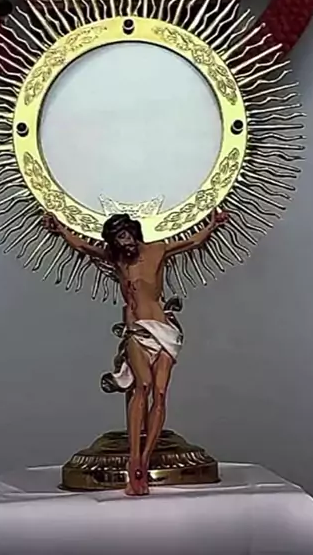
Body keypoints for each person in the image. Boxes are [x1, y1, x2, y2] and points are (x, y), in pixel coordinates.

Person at [43, 208, 228, 496]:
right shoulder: (116, 258)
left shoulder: (157, 249)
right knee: (142, 386)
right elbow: (83, 247)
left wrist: (213, 224)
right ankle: (134, 458)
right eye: (118, 239)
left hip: (163, 330)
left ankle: (146, 456)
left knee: (160, 393)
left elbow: (193, 242)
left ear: (134, 232)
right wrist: (60, 229)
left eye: (126, 235)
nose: (124, 242)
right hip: (137, 331)